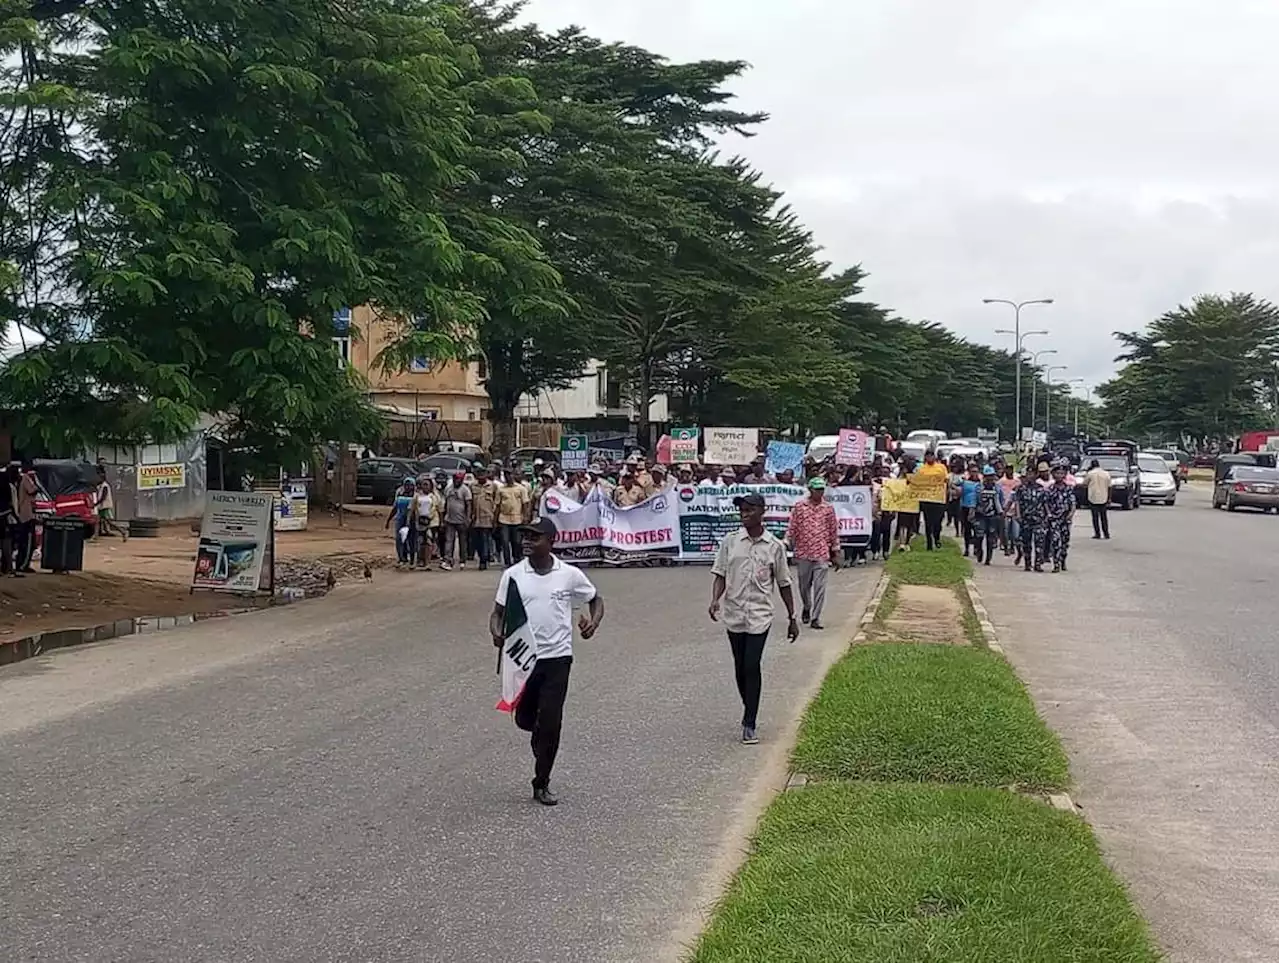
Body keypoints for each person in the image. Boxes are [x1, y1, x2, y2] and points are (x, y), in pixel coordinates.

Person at [489, 516, 604, 807]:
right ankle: (537, 731)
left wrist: (593, 621)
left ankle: (542, 781)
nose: (527, 541)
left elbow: (595, 599)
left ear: (551, 542)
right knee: (528, 720)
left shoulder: (569, 574)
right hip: (523, 660)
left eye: (534, 537)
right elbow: (498, 612)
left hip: (557, 660)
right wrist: (495, 631)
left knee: (551, 722)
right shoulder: (513, 575)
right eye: (525, 536)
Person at [709, 493, 799, 745]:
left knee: (751, 664)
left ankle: (750, 721)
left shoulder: (775, 547)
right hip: (734, 613)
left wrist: (792, 616)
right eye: (742, 510)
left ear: (762, 511)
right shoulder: (730, 542)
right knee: (739, 667)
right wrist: (715, 599)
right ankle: (749, 705)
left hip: (760, 615)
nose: (744, 514)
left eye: (749, 509)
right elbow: (720, 574)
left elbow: (783, 583)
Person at [786, 477, 840, 630]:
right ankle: (807, 606)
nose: (820, 492)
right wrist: (786, 541)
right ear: (810, 490)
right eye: (817, 489)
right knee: (804, 586)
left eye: (822, 489)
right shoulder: (800, 507)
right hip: (803, 553)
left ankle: (816, 617)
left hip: (822, 553)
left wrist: (836, 550)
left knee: (820, 587)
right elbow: (792, 527)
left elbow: (833, 530)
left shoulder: (828, 509)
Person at [1011, 463, 1048, 572]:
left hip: (1039, 519)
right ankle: (1028, 563)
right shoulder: (1021, 489)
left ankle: (1037, 564)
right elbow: (1017, 502)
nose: (1030, 476)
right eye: (1028, 473)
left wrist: (1047, 516)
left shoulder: (1041, 489)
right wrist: (1017, 515)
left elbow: (1044, 503)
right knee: (1026, 542)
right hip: (1025, 518)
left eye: (1032, 473)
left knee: (1039, 542)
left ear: (1036, 475)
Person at [1044, 461, 1076, 573]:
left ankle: (1063, 561)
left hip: (1065, 519)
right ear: (1053, 474)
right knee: (1055, 541)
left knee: (1065, 542)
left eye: (1062, 473)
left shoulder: (1069, 488)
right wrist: (1049, 514)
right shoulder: (1050, 489)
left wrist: (1070, 515)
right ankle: (1056, 564)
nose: (1059, 476)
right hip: (1054, 519)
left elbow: (1072, 504)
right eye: (1057, 473)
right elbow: (1046, 503)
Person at [914, 450, 949, 550]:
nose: (929, 458)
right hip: (927, 499)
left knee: (937, 521)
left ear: (934, 457)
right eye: (927, 456)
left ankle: (937, 537)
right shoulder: (921, 469)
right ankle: (929, 544)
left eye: (931, 456)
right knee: (928, 522)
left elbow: (946, 480)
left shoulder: (941, 467)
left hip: (939, 499)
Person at [496, 470, 530, 566]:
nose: (508, 477)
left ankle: (517, 559)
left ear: (513, 475)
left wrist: (526, 517)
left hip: (517, 519)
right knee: (505, 542)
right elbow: (497, 505)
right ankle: (507, 562)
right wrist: (495, 521)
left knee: (517, 542)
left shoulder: (521, 489)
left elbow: (525, 504)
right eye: (506, 475)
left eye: (510, 474)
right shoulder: (501, 489)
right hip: (504, 519)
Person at [440, 471, 472, 570]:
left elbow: (468, 505)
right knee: (449, 540)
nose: (456, 480)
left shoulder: (465, 490)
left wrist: (468, 518)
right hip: (449, 519)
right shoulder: (448, 489)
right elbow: (445, 503)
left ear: (462, 480)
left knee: (462, 541)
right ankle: (448, 560)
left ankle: (462, 560)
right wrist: (443, 518)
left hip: (461, 519)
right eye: (455, 478)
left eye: (458, 478)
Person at [971, 466, 1002, 565]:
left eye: (991, 476)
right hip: (980, 515)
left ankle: (988, 558)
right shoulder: (979, 487)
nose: (990, 478)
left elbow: (1000, 500)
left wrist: (1001, 512)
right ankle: (979, 551)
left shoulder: (997, 487)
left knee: (990, 538)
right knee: (979, 536)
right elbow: (974, 500)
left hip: (992, 515)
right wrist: (972, 511)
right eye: (988, 476)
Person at [470, 466, 499, 570]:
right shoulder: (472, 486)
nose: (481, 477)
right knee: (477, 541)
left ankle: (484, 560)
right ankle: (482, 556)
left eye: (483, 474)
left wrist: (495, 518)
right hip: (475, 518)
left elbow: (496, 502)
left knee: (485, 539)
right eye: (479, 475)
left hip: (487, 517)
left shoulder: (493, 486)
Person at [384, 478, 417, 568]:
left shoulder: (416, 496)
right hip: (400, 519)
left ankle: (412, 559)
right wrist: (388, 520)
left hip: (412, 520)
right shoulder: (399, 494)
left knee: (411, 540)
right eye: (406, 485)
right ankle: (402, 558)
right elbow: (395, 508)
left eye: (410, 485)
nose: (408, 487)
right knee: (399, 539)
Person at [94, 466, 127, 540]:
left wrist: (95, 504)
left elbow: (103, 497)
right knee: (97, 521)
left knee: (109, 522)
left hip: (104, 506)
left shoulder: (105, 486)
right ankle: (95, 536)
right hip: (101, 506)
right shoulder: (100, 486)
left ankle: (122, 532)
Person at [959, 464, 982, 557]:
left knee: (977, 529)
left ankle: (977, 547)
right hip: (965, 507)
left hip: (976, 508)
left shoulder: (981, 483)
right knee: (967, 529)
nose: (974, 473)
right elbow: (960, 493)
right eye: (972, 471)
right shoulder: (965, 482)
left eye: (976, 471)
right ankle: (967, 548)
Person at [1085, 458, 1112, 539]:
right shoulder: (1106, 473)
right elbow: (1110, 487)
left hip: (1093, 497)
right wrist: (1109, 498)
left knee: (1095, 517)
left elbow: (1084, 483)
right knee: (1104, 517)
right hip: (1103, 497)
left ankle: (1097, 534)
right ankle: (1106, 534)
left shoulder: (1090, 473)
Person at [997, 465, 1020, 555]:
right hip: (1004, 508)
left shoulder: (1017, 481)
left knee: (1014, 532)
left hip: (1015, 508)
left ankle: (1012, 546)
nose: (1009, 471)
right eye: (1007, 469)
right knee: (1005, 530)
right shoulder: (1000, 482)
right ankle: (1006, 547)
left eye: (1010, 469)